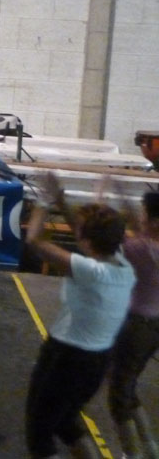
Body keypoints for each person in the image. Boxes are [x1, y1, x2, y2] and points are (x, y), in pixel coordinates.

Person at [24, 172, 135, 459]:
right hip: (97, 361)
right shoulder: (122, 265)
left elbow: (34, 240)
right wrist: (61, 201)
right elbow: (84, 233)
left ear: (87, 240)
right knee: (65, 423)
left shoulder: (90, 271)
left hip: (67, 357)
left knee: (39, 433)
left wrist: (44, 201)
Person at [109, 191, 159, 459]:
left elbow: (103, 242)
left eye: (144, 214)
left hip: (136, 327)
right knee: (128, 384)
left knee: (118, 394)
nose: (140, 218)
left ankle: (133, 454)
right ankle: (149, 447)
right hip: (153, 327)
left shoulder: (141, 249)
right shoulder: (149, 246)